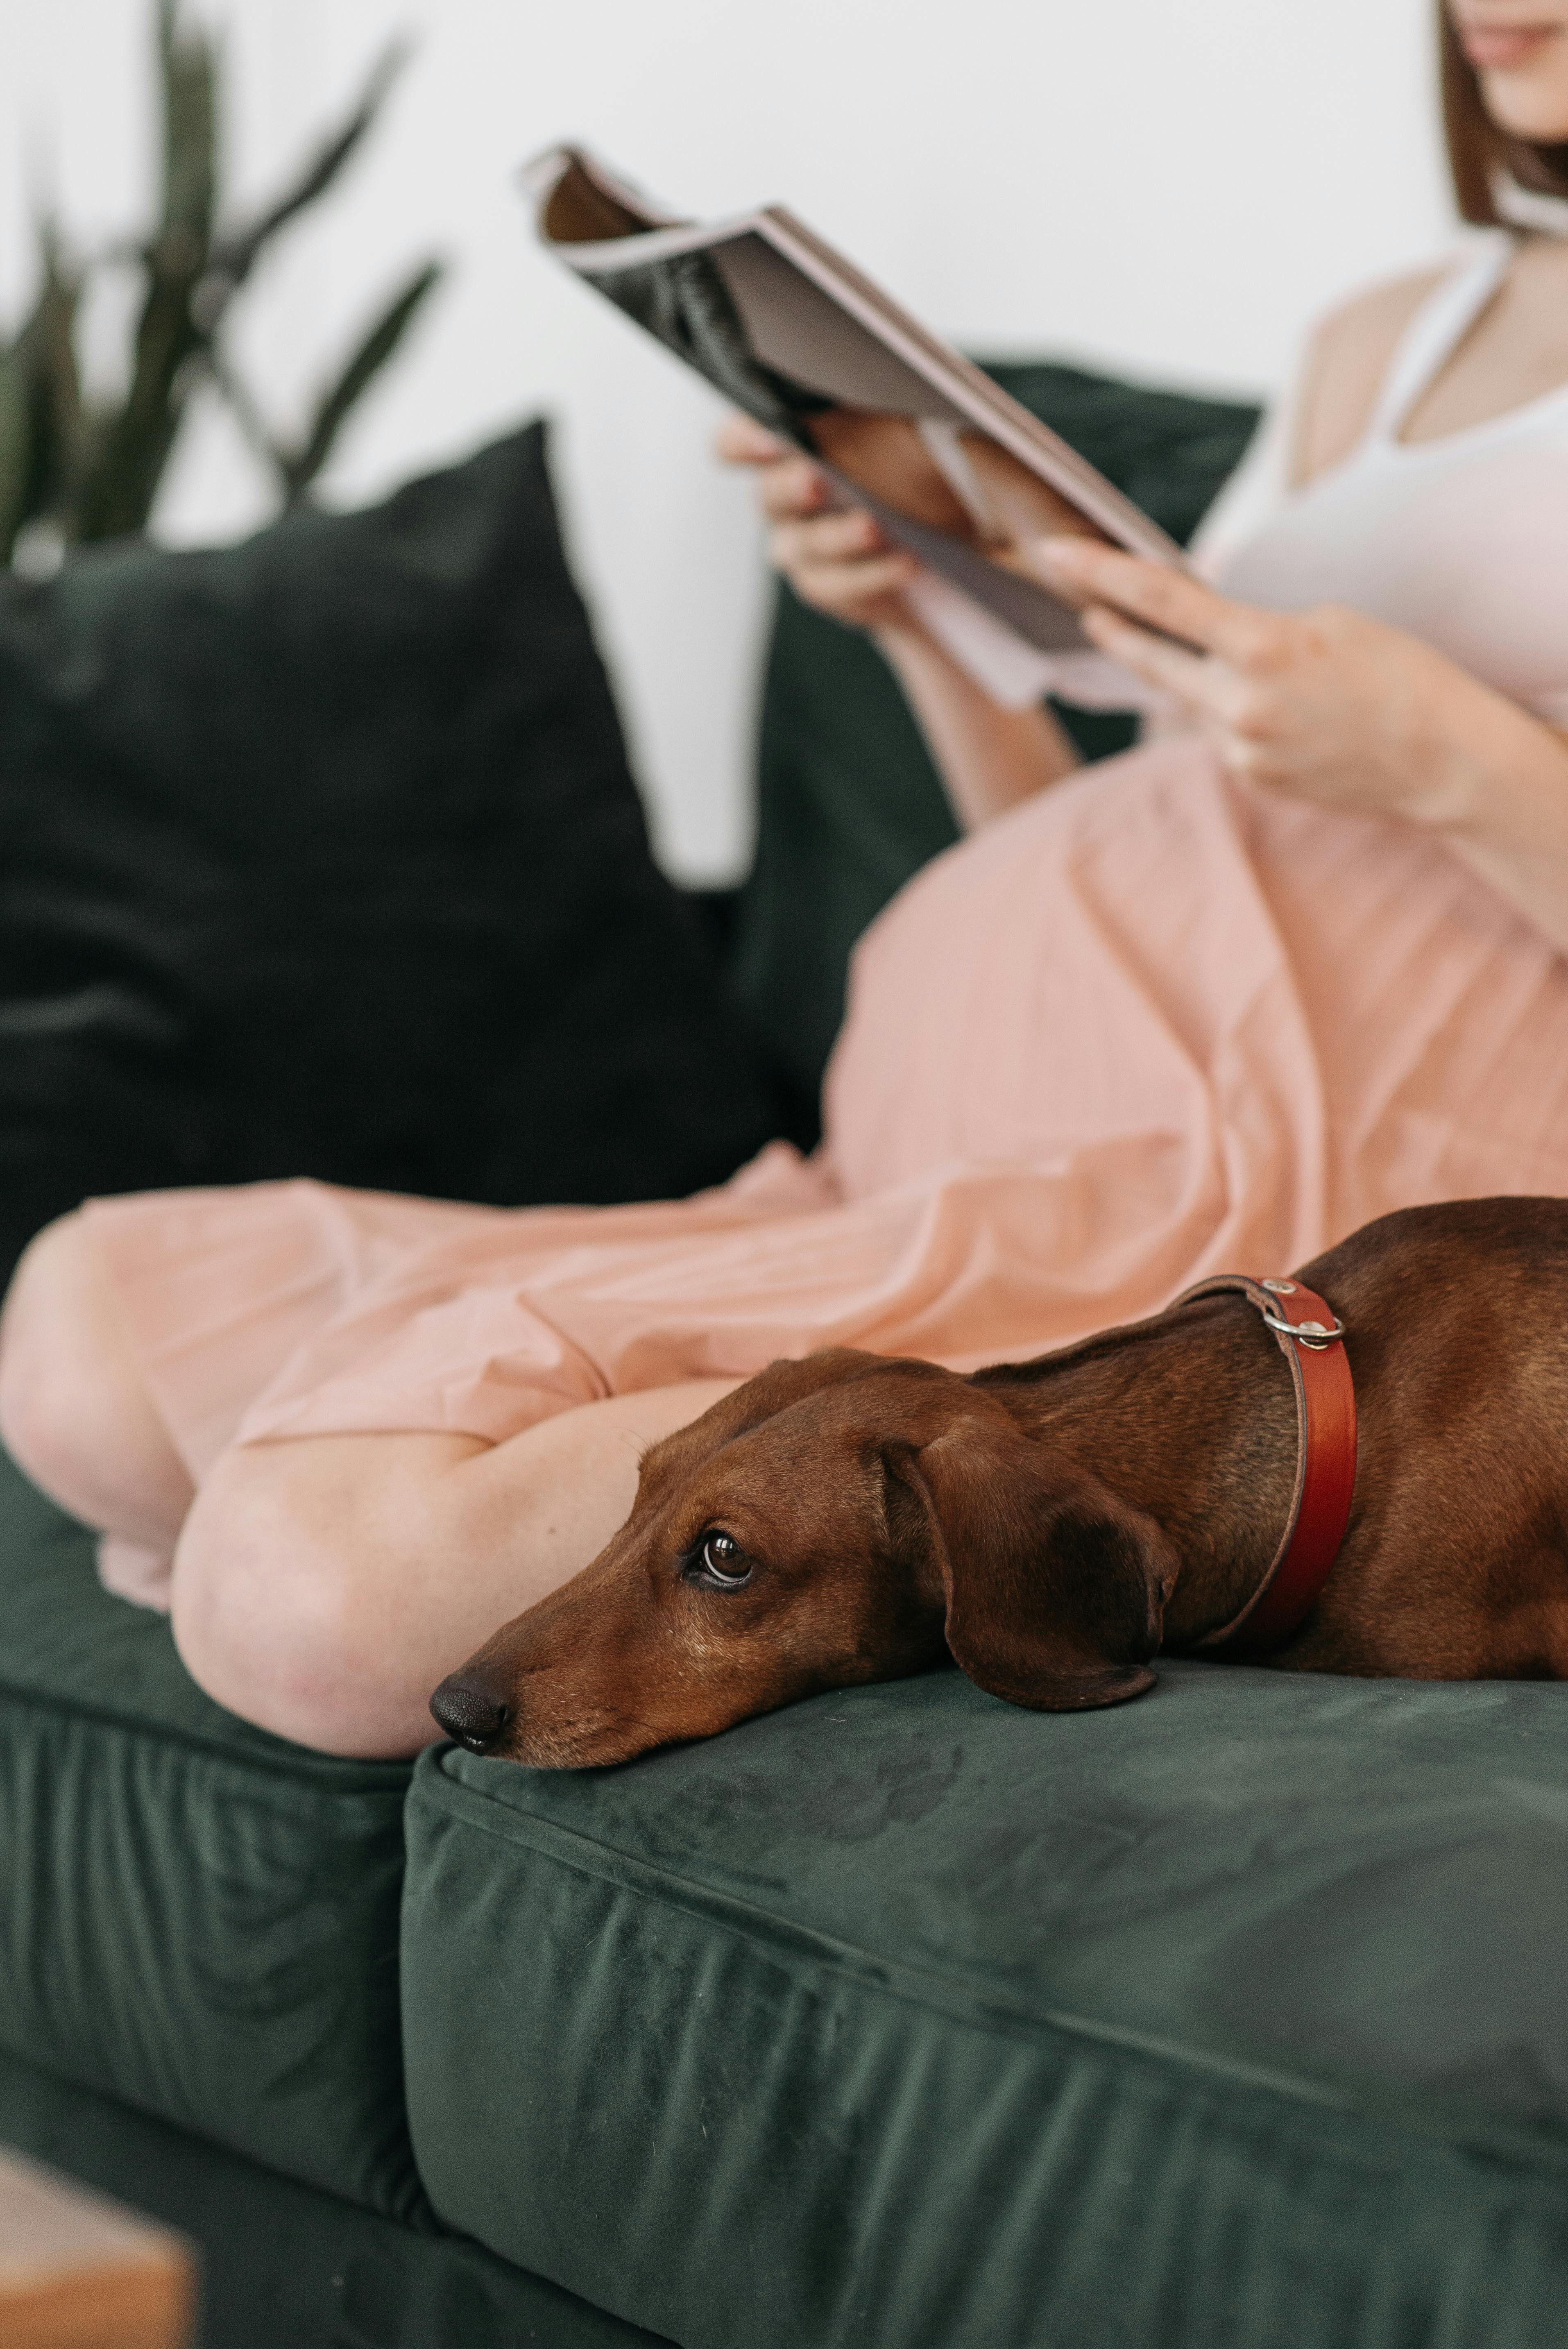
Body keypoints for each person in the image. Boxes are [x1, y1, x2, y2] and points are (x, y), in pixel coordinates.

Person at [4, 0, 1568, 1760]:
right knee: (81, 1334)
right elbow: (1147, 869)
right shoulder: (1384, 340)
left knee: (314, 1595)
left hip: (1258, 1201)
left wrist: (1446, 753)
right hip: (972, 1134)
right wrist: (925, 612)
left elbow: (1348, 856)